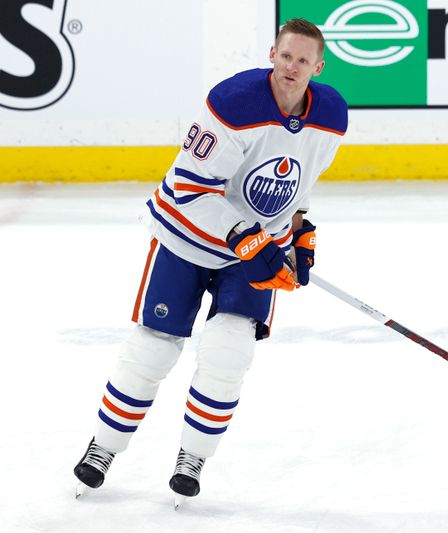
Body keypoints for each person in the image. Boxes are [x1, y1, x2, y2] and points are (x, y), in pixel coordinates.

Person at [73, 18, 347, 504]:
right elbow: (189, 190)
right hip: (187, 238)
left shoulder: (331, 115)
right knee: (154, 347)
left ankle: (192, 457)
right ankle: (103, 448)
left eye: (303, 60)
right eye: (286, 56)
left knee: (229, 351)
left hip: (254, 250)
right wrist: (245, 236)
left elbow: (301, 180)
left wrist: (299, 228)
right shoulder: (233, 103)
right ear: (272, 54)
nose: (292, 66)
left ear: (318, 67)